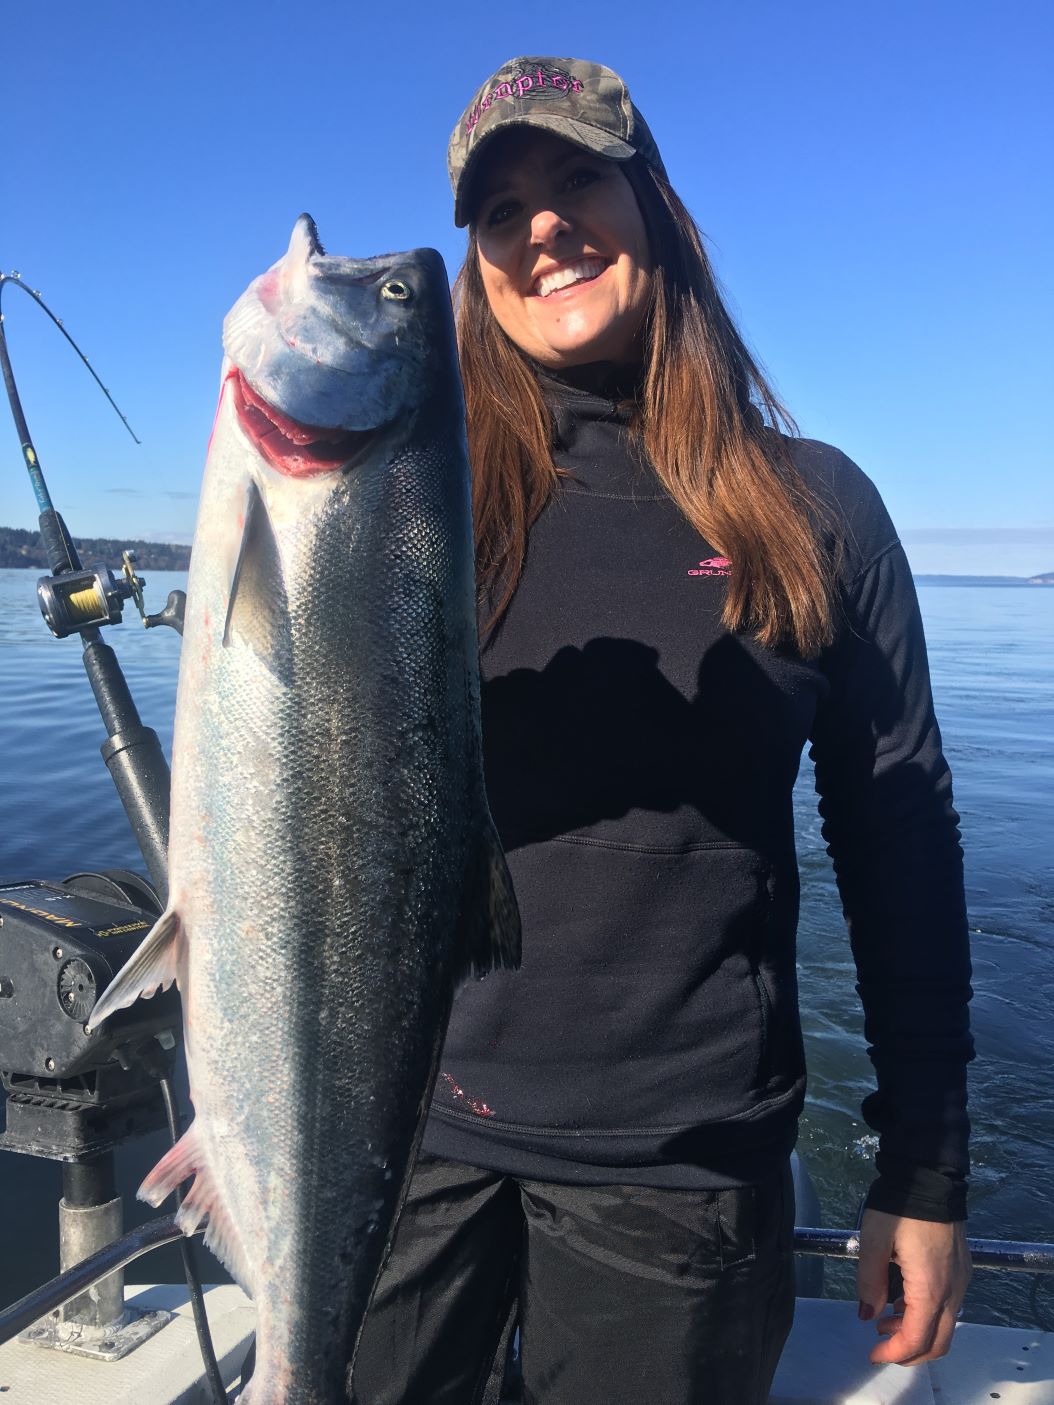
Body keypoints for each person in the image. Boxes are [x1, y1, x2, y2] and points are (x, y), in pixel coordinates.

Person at [351, 56, 974, 1405]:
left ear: (659, 211)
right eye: (500, 207)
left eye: (578, 178)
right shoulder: (412, 515)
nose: (542, 226)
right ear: (475, 260)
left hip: (679, 1180)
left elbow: (899, 841)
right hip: (398, 1140)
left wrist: (921, 1168)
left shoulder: (811, 507)